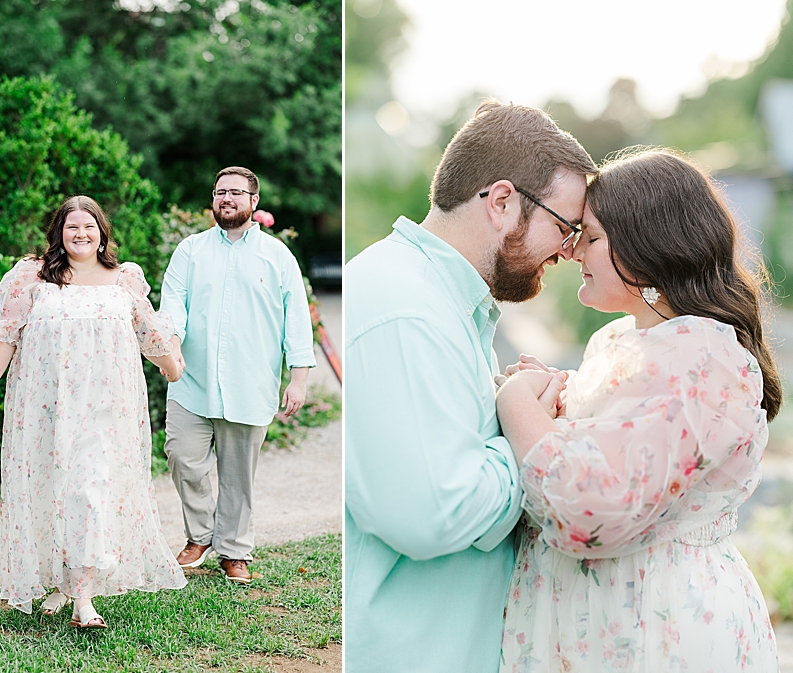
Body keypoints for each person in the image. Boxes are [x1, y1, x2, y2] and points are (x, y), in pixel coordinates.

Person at [496, 148, 782, 672]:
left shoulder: (702, 356)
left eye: (592, 235)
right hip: (608, 622)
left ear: (648, 247)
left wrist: (517, 405)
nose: (575, 249)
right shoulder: (625, 342)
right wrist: (555, 400)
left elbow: (594, 508)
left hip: (655, 627)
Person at [344, 100, 597, 672]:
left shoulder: (443, 302)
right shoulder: (404, 309)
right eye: (565, 227)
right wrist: (533, 434)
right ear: (503, 202)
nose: (568, 251)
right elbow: (438, 510)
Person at [0, 195, 187, 628]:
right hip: (44, 410)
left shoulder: (124, 279)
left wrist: (172, 366)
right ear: (58, 233)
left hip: (107, 411)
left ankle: (83, 599)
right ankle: (60, 582)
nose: (81, 233)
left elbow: (149, 331)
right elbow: (5, 337)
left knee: (89, 493)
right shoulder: (31, 277)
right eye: (71, 227)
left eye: (89, 226)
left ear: (102, 232)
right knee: (51, 492)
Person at [159, 166, 316, 584]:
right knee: (182, 457)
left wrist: (297, 378)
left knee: (238, 476)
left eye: (235, 192)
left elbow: (297, 320)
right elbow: (173, 305)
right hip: (191, 382)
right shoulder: (189, 251)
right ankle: (201, 535)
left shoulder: (278, 256)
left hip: (251, 383)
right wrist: (170, 344)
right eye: (220, 192)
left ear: (253, 201)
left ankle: (234, 550)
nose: (226, 198)